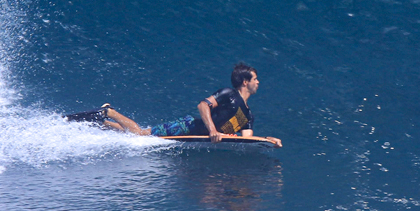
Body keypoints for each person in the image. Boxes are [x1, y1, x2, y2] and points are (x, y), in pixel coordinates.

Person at [68, 63, 282, 147]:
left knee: (140, 135)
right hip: (188, 127)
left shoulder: (248, 115)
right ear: (245, 82)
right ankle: (109, 111)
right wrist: (213, 130)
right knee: (142, 135)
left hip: (197, 136)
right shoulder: (229, 94)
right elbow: (202, 106)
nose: (258, 82)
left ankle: (104, 124)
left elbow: (247, 139)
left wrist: (266, 140)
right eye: (255, 78)